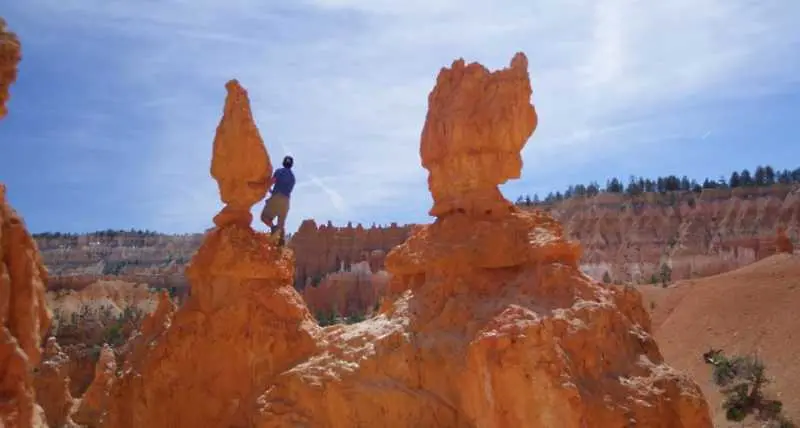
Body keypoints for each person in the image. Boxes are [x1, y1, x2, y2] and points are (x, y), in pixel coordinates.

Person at [261, 155, 295, 241]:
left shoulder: (279, 171)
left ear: (283, 162)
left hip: (277, 198)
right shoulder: (293, 177)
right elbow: (285, 190)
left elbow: (272, 182)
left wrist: (264, 187)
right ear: (291, 165)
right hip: (286, 202)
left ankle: (273, 228)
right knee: (281, 225)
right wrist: (272, 192)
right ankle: (280, 241)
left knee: (264, 217)